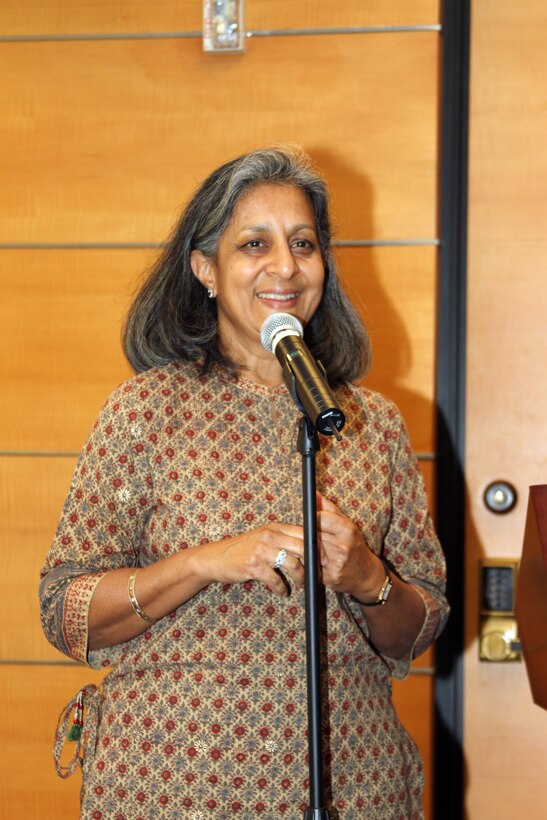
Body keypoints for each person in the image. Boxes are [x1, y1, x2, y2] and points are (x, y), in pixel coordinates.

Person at [40, 145, 449, 819]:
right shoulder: (145, 411)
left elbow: (416, 629)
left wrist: (367, 576)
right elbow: (66, 609)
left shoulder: (369, 423)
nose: (284, 267)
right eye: (253, 245)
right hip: (171, 784)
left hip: (351, 781)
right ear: (204, 267)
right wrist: (205, 562)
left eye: (303, 244)